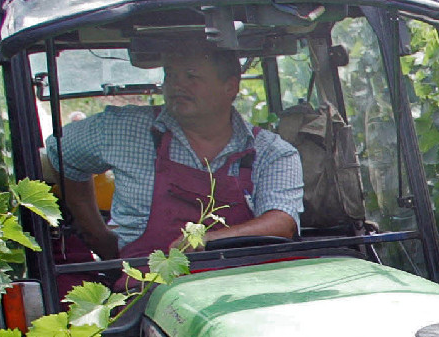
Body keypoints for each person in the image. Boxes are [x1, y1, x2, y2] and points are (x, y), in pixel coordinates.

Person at [49, 45, 304, 262]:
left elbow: (282, 222)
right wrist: (96, 233)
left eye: (191, 76)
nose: (176, 85)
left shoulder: (272, 153)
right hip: (144, 292)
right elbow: (58, 152)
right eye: (170, 75)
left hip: (238, 289)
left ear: (230, 87)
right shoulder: (122, 130)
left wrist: (205, 240)